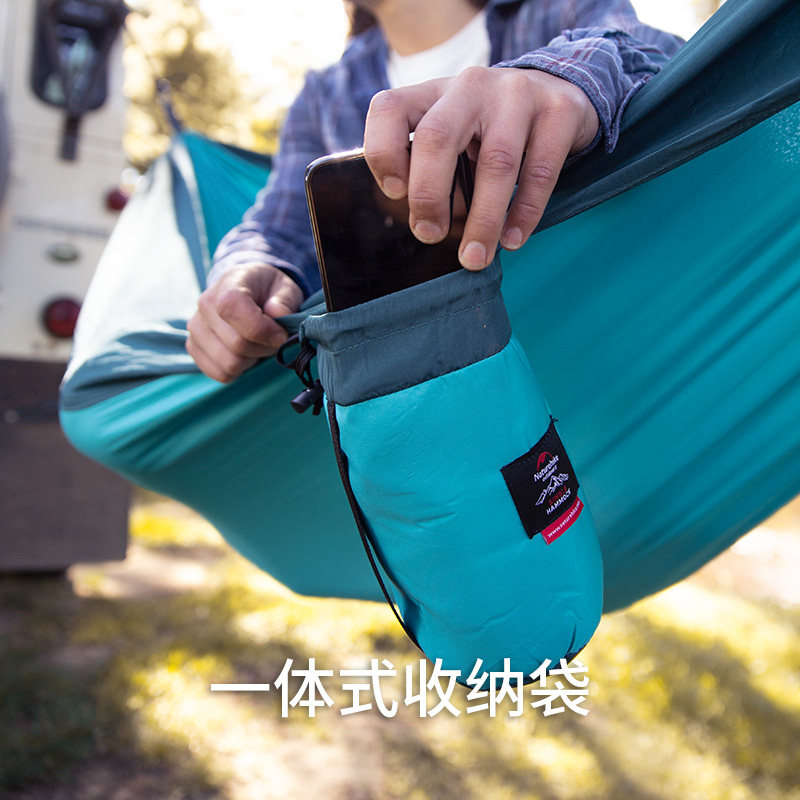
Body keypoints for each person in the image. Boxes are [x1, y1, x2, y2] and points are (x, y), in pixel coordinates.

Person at [185, 0, 683, 383]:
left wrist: (558, 82)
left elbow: (663, 57)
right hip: (429, 395)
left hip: (610, 350)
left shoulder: (557, 11)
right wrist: (242, 270)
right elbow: (279, 228)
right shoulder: (323, 96)